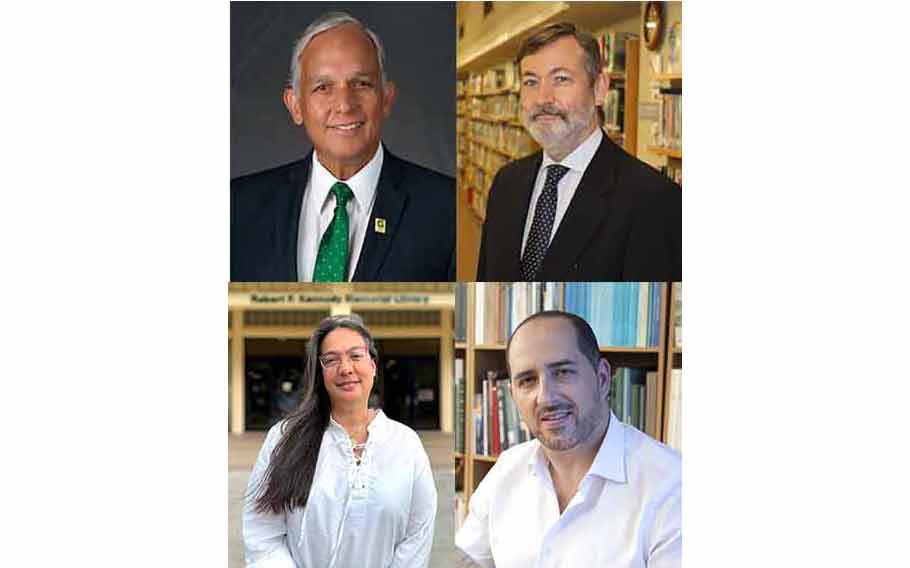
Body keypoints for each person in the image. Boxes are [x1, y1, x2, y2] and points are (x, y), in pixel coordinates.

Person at [231, 12, 455, 282]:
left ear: (386, 99)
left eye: (361, 84)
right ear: (295, 105)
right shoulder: (237, 207)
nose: (345, 105)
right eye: (323, 87)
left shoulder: (445, 209)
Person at [455, 311, 681, 567]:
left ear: (603, 379)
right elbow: (468, 558)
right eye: (527, 380)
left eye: (562, 372)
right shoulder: (507, 469)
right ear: (514, 395)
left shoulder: (672, 486)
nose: (546, 398)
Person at [476, 22, 681, 282]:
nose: (542, 98)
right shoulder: (506, 182)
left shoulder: (654, 200)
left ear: (599, 89)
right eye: (530, 82)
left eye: (561, 79)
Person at [244, 314, 437, 567]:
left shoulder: (406, 444)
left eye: (356, 356)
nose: (345, 368)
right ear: (320, 373)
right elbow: (262, 535)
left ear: (373, 365)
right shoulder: (284, 438)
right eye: (331, 360)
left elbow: (418, 534)